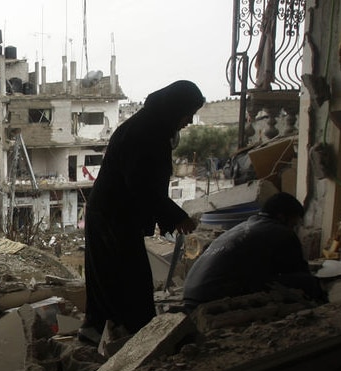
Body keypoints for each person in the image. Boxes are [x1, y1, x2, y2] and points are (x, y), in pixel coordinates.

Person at [80, 80, 205, 344]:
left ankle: (102, 331)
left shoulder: (148, 126)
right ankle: (139, 340)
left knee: (109, 278)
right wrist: (176, 217)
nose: (189, 120)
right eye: (188, 113)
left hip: (111, 213)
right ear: (176, 108)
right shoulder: (147, 133)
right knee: (129, 281)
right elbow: (140, 185)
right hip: (114, 217)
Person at [182, 192, 326, 311]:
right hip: (212, 297)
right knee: (308, 282)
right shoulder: (281, 232)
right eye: (294, 224)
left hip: (191, 294)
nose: (294, 228)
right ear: (282, 217)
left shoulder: (243, 227)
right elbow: (299, 271)